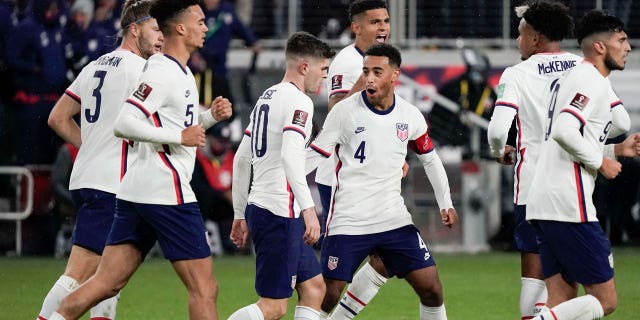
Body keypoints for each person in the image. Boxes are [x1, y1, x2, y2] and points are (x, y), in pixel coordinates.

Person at [48, 1, 232, 319]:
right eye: (200, 21)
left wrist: (209, 119)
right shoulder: (157, 71)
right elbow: (125, 122)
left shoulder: (178, 70)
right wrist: (179, 138)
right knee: (205, 288)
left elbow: (179, 127)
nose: (206, 27)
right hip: (163, 187)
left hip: (131, 188)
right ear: (181, 27)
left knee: (105, 283)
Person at [308, 43, 457, 320]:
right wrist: (284, 184)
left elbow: (430, 159)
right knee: (327, 295)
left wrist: (445, 203)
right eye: (366, 72)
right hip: (349, 219)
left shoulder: (410, 115)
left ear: (394, 75)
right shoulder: (344, 112)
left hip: (392, 219)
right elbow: (314, 156)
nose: (370, 78)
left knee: (432, 288)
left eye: (378, 71)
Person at [37, 1, 164, 319]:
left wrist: (91, 143)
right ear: (135, 30)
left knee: (109, 279)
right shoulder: (142, 71)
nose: (162, 37)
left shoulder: (94, 66)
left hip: (90, 177)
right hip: (111, 184)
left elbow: (58, 117)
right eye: (156, 29)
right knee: (78, 274)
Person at [527, 10, 639, 320]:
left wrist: (615, 150)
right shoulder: (589, 78)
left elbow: (574, 136)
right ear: (600, 47)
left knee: (562, 298)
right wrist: (601, 162)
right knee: (605, 301)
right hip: (568, 205)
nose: (628, 47)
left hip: (545, 201)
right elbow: (564, 131)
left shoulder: (577, 78)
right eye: (622, 40)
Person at [228, 31, 335, 320]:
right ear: (304, 67)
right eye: (323, 70)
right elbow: (290, 157)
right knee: (273, 307)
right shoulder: (301, 102)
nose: (324, 78)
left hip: (263, 208)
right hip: (280, 213)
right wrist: (310, 211)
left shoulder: (268, 96)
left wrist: (240, 213)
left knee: (314, 286)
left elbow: (241, 158)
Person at [486, 2, 579, 319]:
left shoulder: (518, 73)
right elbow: (619, 123)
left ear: (535, 38)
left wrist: (501, 148)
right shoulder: (583, 68)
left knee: (533, 274)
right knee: (567, 282)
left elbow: (498, 129)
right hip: (573, 188)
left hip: (532, 189)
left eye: (520, 33)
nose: (517, 40)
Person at [314, 2, 403, 318]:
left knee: (385, 260)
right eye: (374, 21)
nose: (383, 27)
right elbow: (338, 111)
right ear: (356, 27)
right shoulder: (347, 63)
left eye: (386, 21)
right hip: (342, 180)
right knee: (336, 279)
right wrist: (366, 79)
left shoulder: (382, 60)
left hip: (372, 179)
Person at [5, 0, 68, 164]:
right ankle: (25, 187)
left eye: (56, 8)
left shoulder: (57, 29)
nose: (54, 12)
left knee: (49, 151)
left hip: (54, 99)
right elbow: (10, 57)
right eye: (50, 8)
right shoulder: (26, 27)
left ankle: (46, 188)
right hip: (31, 100)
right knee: (29, 150)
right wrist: (32, 68)